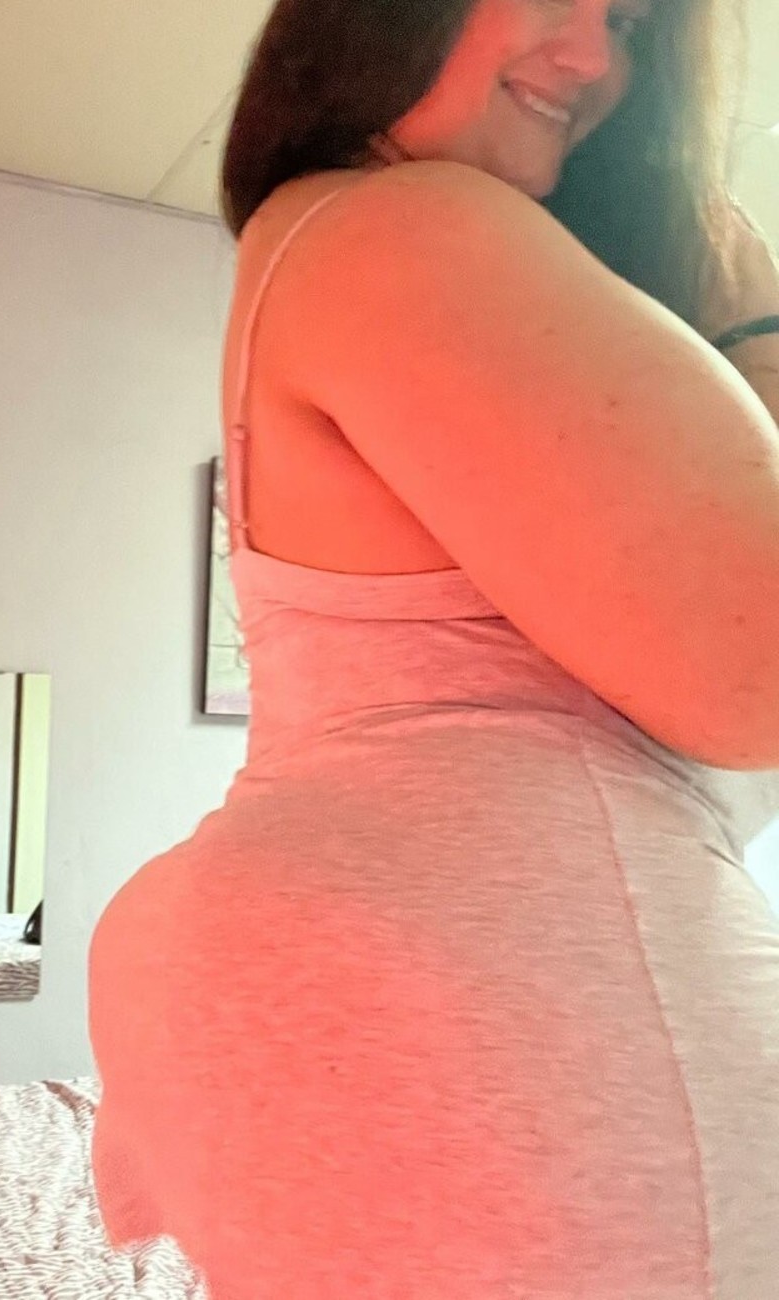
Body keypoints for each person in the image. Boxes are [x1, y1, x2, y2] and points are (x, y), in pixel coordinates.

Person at [88, 0, 779, 1294]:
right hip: (486, 1032)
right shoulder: (398, 224)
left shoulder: (337, 243)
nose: (597, 60)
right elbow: (763, 667)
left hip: (426, 1009)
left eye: (631, 20)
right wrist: (754, 319)